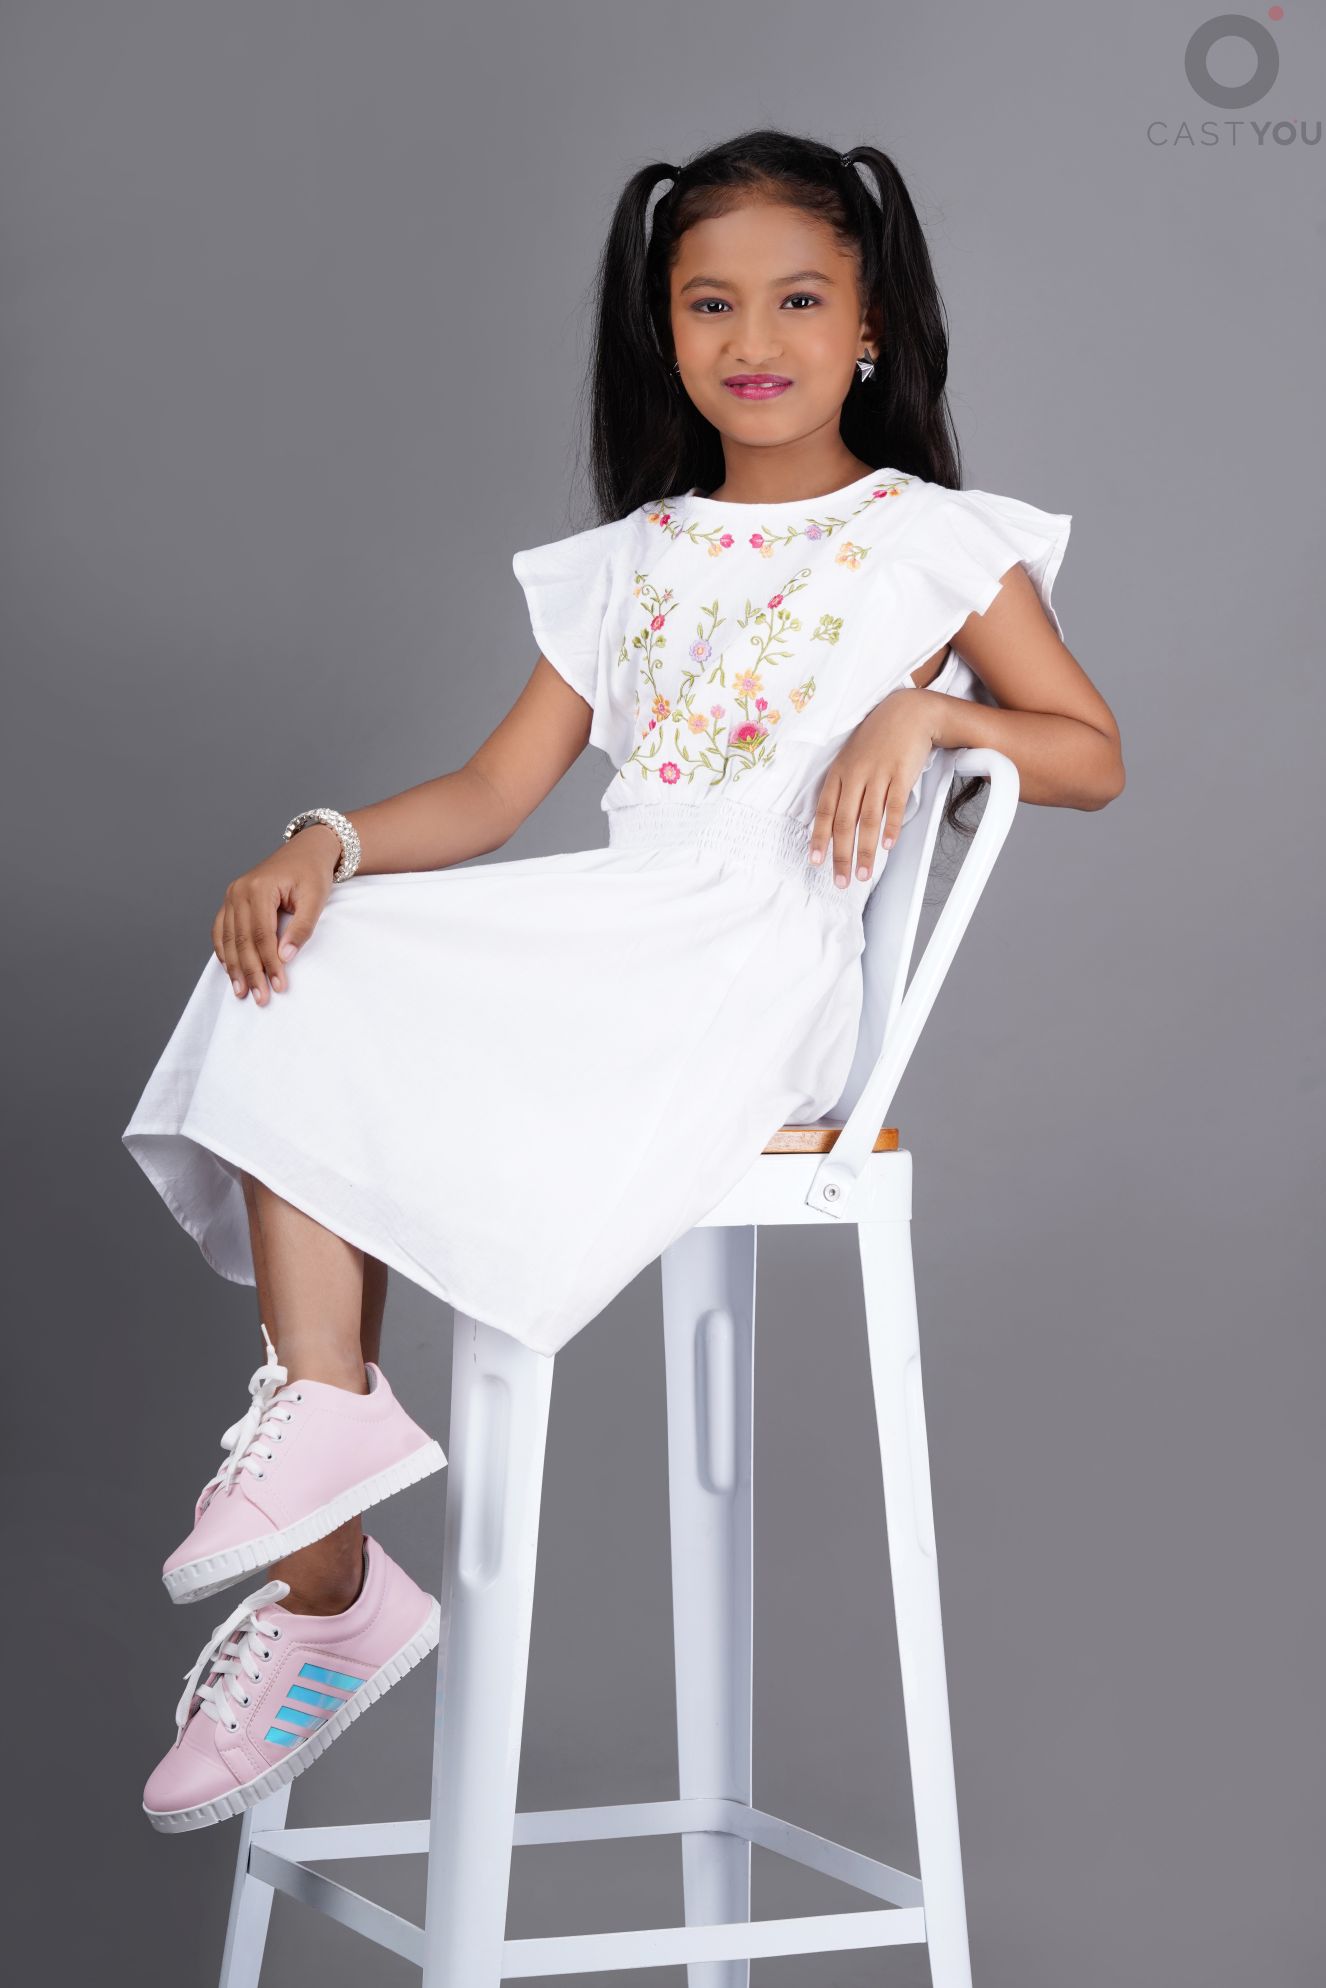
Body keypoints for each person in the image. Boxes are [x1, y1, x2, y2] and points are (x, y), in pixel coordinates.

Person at [125, 127, 1125, 1833]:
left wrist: (924, 708)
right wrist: (325, 840)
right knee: (303, 954)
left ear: (868, 327)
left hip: (753, 965)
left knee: (335, 996)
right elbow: (490, 794)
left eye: (797, 300)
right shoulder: (635, 555)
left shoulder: (932, 541)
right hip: (616, 924)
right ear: (662, 334)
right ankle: (328, 1531)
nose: (755, 337)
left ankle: (328, 1518)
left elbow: (1088, 753)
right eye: (709, 303)